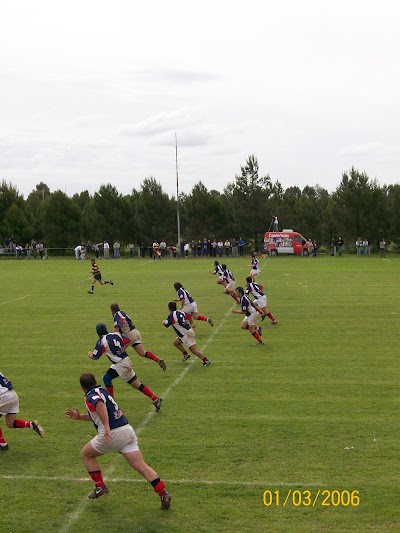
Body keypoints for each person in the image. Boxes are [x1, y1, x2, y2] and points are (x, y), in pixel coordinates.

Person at [65, 373, 171, 508]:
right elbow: (99, 413)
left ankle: (100, 486)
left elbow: (99, 404)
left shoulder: (91, 396)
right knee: (141, 466)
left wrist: (107, 427)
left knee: (86, 455)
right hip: (127, 431)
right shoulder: (102, 390)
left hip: (112, 434)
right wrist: (79, 417)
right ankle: (163, 493)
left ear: (82, 388)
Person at [88, 324, 162, 411]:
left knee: (136, 384)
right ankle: (112, 404)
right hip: (122, 361)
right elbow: (127, 340)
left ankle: (155, 399)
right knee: (106, 378)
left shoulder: (102, 341)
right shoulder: (115, 334)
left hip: (121, 365)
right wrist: (121, 350)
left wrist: (90, 355)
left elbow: (95, 356)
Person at [111, 303, 166, 371]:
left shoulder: (116, 315)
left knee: (119, 352)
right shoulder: (122, 312)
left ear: (112, 310)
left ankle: (123, 369)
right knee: (142, 353)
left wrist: (110, 336)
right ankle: (158, 360)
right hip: (135, 333)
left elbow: (116, 328)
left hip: (128, 335)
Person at [0, 371, 45, 451]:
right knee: (10, 423)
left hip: (4, 397)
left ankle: (3, 445)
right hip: (12, 395)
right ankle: (31, 425)